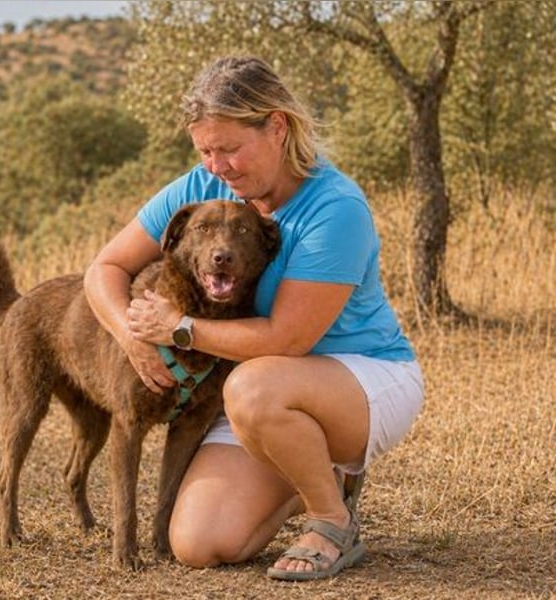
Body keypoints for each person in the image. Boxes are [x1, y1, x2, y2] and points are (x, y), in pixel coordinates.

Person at [83, 55, 424, 581]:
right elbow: (105, 268)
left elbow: (287, 338)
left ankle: (332, 519)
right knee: (199, 542)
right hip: (259, 391)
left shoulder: (334, 208)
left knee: (250, 387)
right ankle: (316, 466)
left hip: (358, 378)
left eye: (230, 149)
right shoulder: (202, 187)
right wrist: (131, 335)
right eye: (205, 150)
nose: (217, 166)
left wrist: (179, 328)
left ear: (278, 128)